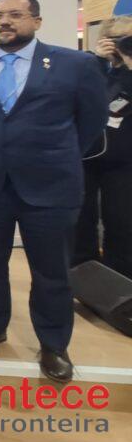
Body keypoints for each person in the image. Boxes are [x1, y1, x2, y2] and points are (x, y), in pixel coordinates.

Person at [0, 0, 108, 382]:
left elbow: (91, 123)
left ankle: (54, 345)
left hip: (51, 186)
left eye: (15, 14)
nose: (5, 21)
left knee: (51, 271)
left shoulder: (76, 65)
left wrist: (53, 154)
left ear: (37, 21)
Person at [72, 15, 132, 279]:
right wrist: (97, 61)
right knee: (81, 220)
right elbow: (81, 98)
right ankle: (85, 279)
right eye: (119, 39)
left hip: (125, 161)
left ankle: (121, 282)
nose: (124, 44)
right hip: (86, 156)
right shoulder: (89, 65)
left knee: (122, 222)